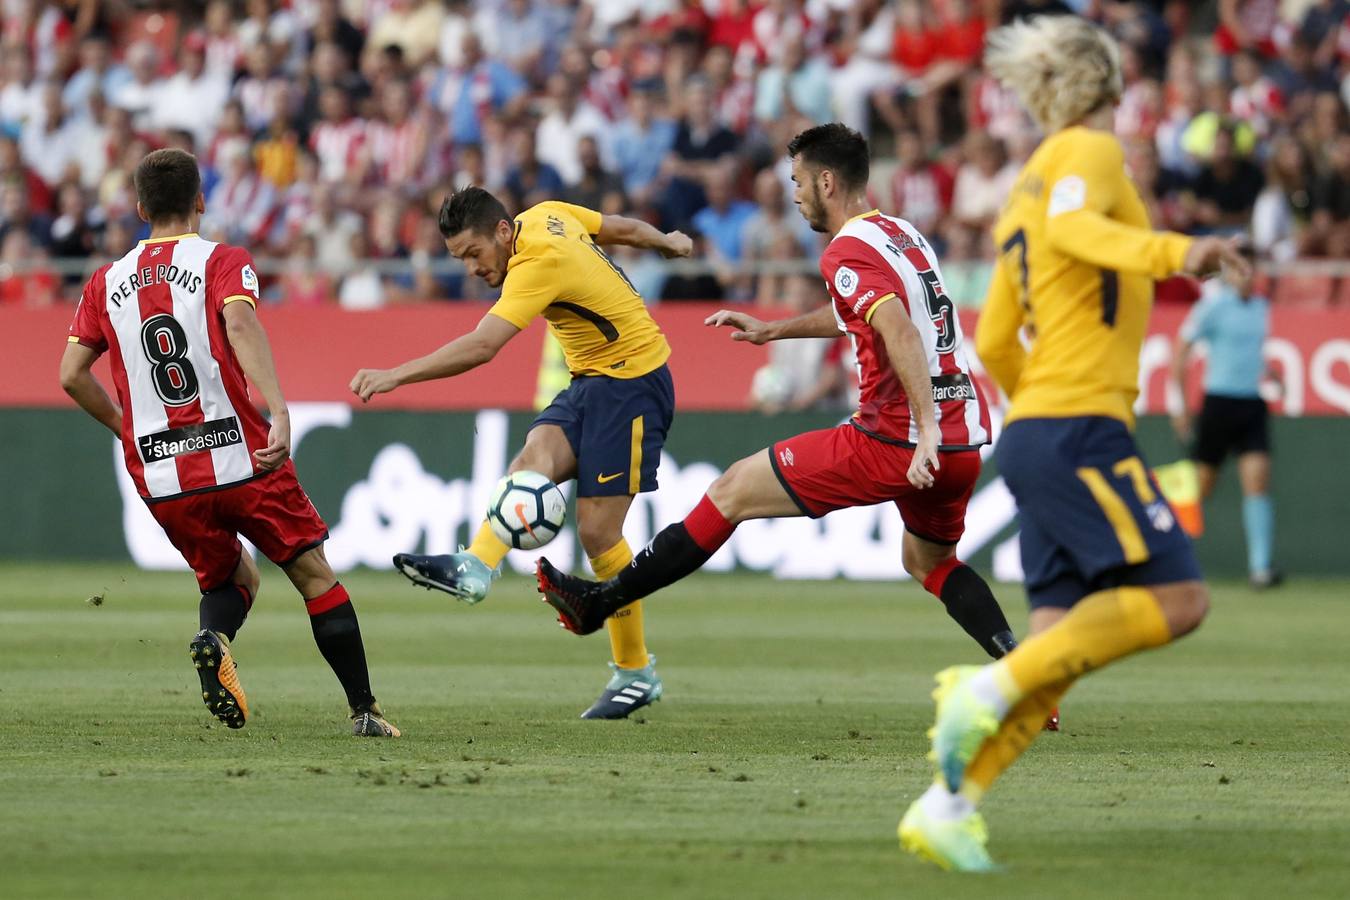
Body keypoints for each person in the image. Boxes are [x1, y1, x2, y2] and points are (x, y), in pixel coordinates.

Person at [898, 17, 1247, 872]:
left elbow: (999, 333)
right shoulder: (1089, 154)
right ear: (1110, 79)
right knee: (1181, 599)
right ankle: (982, 688)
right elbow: (1082, 236)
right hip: (1078, 424)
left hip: (1039, 426)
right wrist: (1180, 251)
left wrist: (1035, 408)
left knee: (1056, 645)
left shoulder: (1029, 180)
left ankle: (949, 805)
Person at [535, 123, 1019, 679]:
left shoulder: (845, 251)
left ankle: (600, 602)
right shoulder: (902, 234)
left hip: (900, 438)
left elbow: (900, 331)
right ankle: (1021, 666)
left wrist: (925, 428)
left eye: (798, 181)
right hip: (963, 440)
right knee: (929, 561)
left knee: (732, 491)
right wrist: (774, 330)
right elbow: (859, 313)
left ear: (827, 182)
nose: (794, 194)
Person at [59, 148, 399, 738]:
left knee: (233, 580)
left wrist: (125, 428)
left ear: (139, 208)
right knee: (314, 575)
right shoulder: (222, 260)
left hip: (162, 474)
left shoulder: (105, 281)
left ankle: (214, 638)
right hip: (241, 455)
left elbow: (70, 374)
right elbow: (240, 324)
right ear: (201, 200)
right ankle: (365, 712)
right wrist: (282, 411)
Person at [349, 188, 692, 719]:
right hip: (591, 380)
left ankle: (635, 672)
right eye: (460, 258)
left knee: (599, 533)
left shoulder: (538, 263)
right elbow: (618, 227)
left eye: (472, 254)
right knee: (528, 465)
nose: (470, 268)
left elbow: (483, 346)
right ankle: (475, 567)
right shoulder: (550, 215)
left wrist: (396, 374)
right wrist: (664, 241)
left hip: (633, 382)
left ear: (503, 232)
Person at [1171, 242, 1280, 589]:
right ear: (1230, 271)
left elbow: (1251, 352)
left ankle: (1260, 568)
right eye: (1239, 268)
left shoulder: (1262, 307)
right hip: (1218, 404)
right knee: (1200, 488)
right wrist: (1181, 407)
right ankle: (1171, 561)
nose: (1246, 276)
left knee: (1258, 482)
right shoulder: (1212, 307)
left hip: (1251, 404)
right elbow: (1180, 355)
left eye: (1251, 269)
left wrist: (1272, 375)